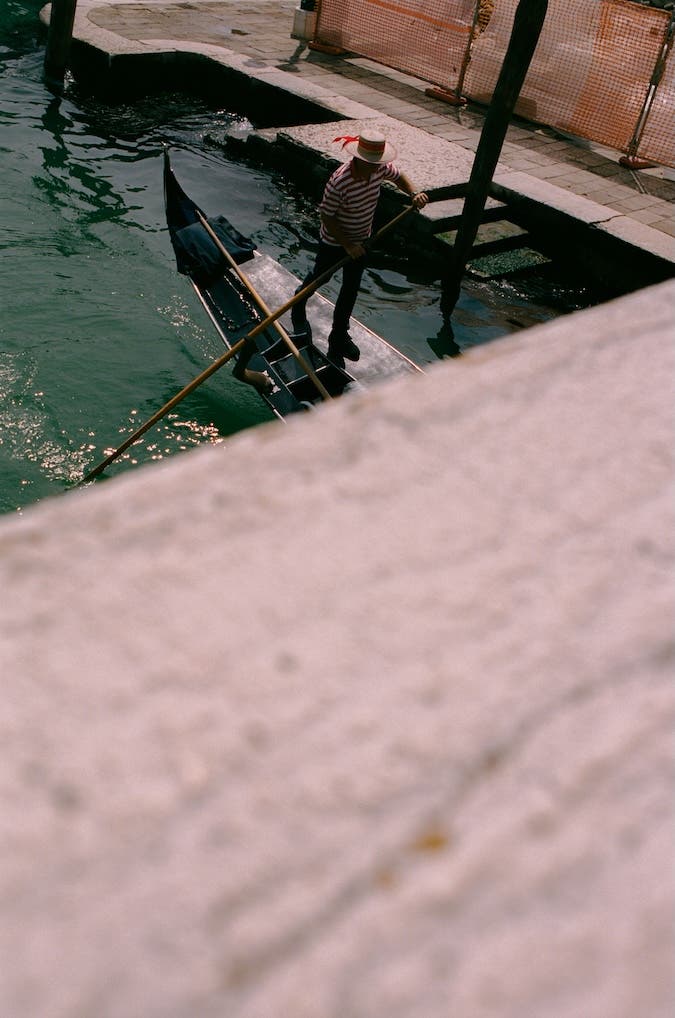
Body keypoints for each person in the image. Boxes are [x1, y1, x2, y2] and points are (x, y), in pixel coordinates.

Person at [291, 132, 429, 368]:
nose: (377, 168)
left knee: (350, 289)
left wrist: (414, 194)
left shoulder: (378, 169)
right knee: (321, 278)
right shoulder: (340, 181)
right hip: (335, 242)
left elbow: (399, 177)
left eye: (378, 164)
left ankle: (338, 337)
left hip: (362, 241)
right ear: (360, 160)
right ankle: (299, 301)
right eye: (372, 164)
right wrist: (347, 245)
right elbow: (327, 216)